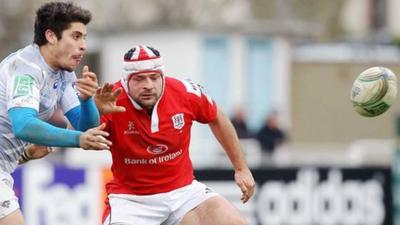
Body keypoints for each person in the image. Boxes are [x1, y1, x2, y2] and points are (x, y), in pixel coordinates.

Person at [100, 45, 255, 225]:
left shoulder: (185, 92)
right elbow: (81, 131)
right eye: (139, 79)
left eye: (154, 77)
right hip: (132, 200)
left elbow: (217, 117)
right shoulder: (110, 100)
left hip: (184, 193)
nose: (148, 85)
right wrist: (91, 109)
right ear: (126, 81)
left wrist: (241, 168)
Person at [0, 2, 119, 225]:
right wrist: (78, 140)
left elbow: (86, 127)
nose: (83, 45)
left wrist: (86, 102)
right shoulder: (26, 69)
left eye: (84, 37)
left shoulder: (63, 75)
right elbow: (23, 126)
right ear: (51, 36)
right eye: (75, 36)